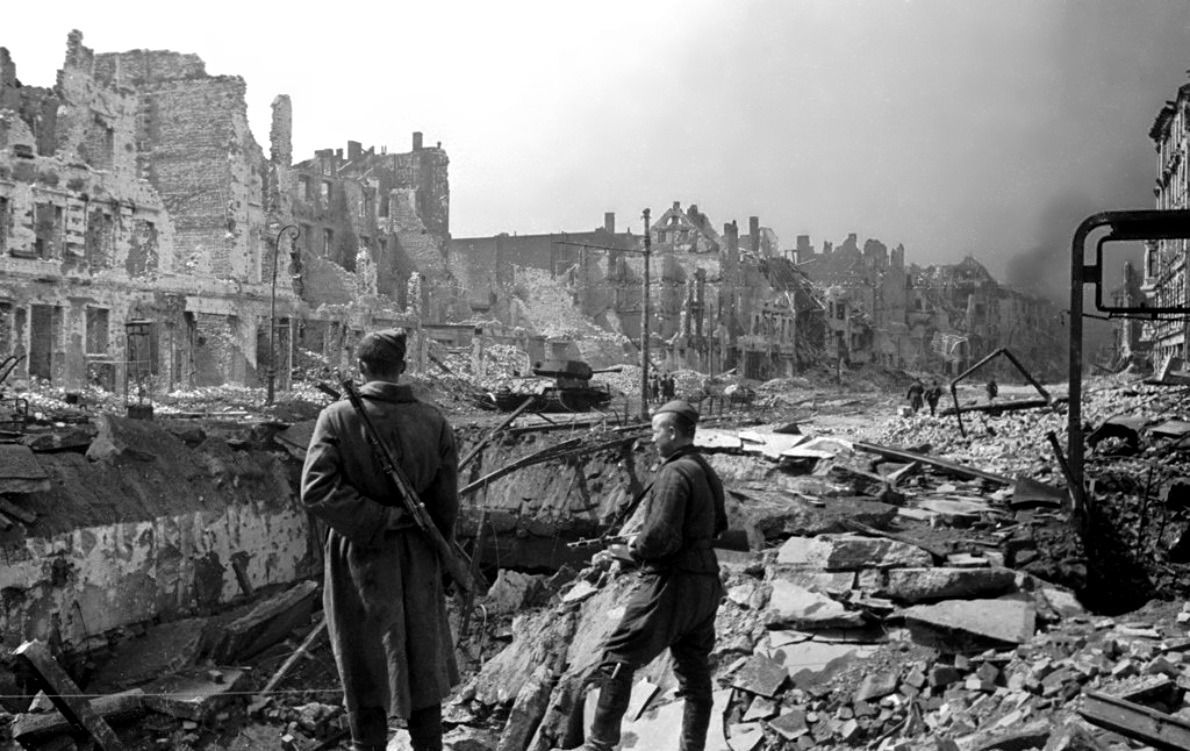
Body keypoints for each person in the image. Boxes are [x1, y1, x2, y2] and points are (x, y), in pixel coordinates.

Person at [301, 329, 459, 751]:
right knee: (422, 656)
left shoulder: (336, 417)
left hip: (359, 555)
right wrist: (438, 555)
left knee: (362, 659)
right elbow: (446, 505)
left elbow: (315, 491)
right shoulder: (434, 420)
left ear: (362, 368)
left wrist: (377, 519)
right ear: (403, 368)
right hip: (419, 552)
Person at [579, 399, 727, 751]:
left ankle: (599, 743)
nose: (652, 437)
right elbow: (719, 526)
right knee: (694, 670)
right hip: (705, 583)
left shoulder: (674, 473)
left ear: (673, 432)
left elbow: (660, 537)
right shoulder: (704, 469)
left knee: (619, 656)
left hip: (670, 581)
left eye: (655, 430)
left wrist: (635, 547)